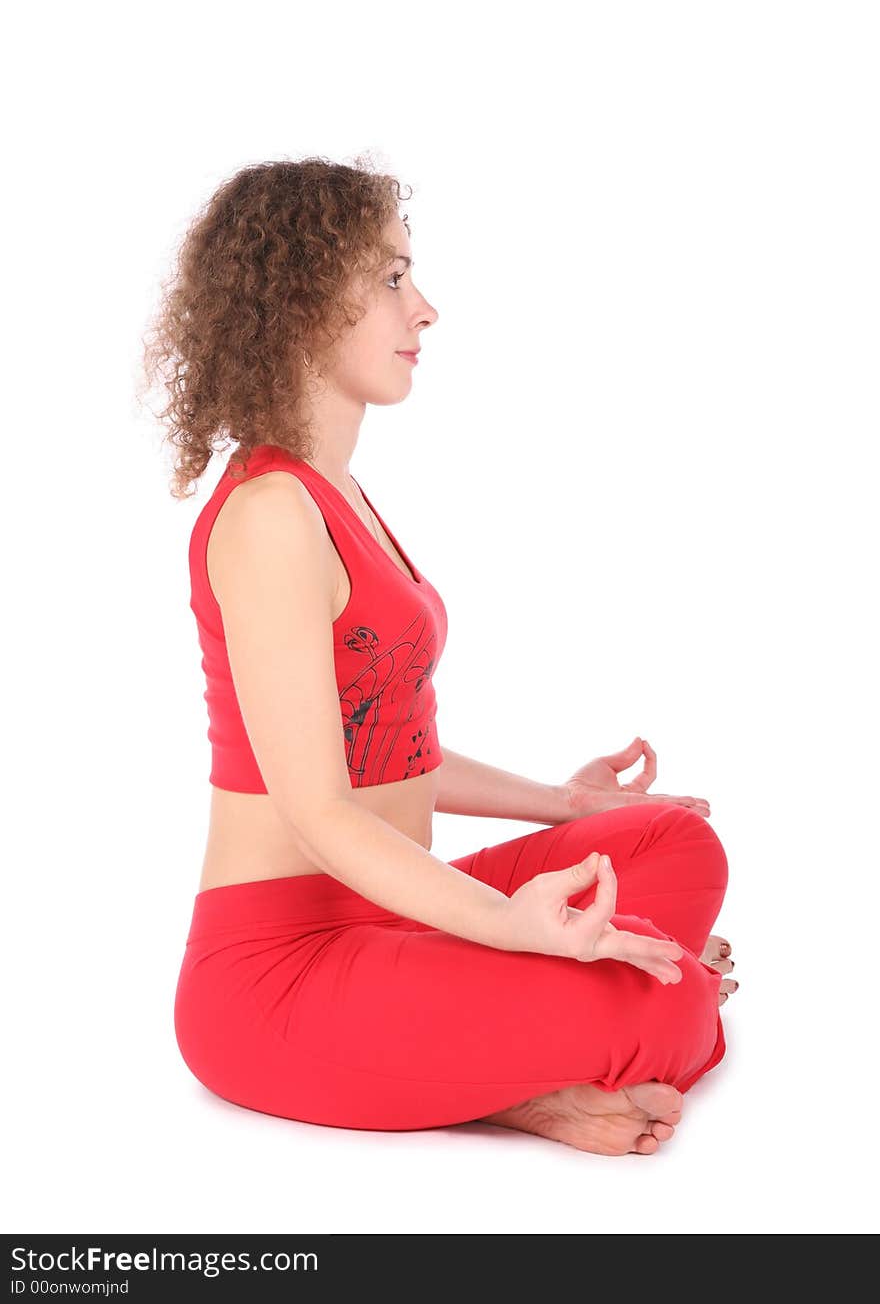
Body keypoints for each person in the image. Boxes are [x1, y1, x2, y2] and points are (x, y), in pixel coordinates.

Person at [141, 155, 738, 1157]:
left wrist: (569, 803)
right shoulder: (269, 515)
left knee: (673, 843)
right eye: (388, 279)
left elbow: (389, 751)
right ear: (298, 300)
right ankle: (526, 1086)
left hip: (387, 915)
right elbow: (319, 811)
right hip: (277, 971)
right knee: (670, 1014)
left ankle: (501, 1050)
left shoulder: (342, 496)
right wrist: (517, 929)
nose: (423, 309)